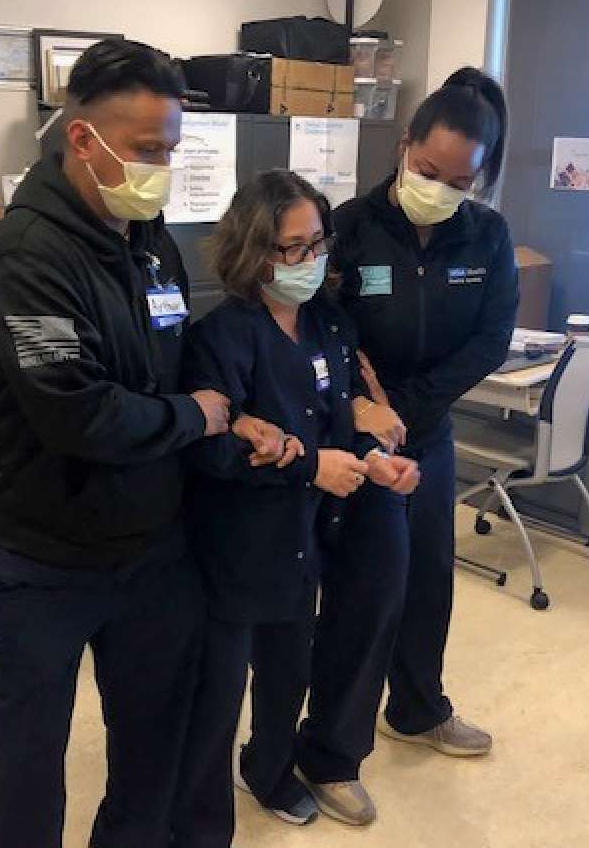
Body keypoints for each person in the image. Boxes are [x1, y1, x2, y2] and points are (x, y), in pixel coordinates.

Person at [0, 39, 236, 848]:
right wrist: (194, 416)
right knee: (24, 769)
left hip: (154, 552)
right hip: (49, 560)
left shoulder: (148, 237)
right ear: (82, 140)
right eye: (147, 150)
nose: (161, 167)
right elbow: (77, 415)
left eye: (171, 149)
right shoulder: (25, 256)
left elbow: (175, 351)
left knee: (151, 753)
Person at [292, 67, 519, 825]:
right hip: (354, 436)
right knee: (364, 596)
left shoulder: (486, 235)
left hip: (426, 431)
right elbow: (321, 323)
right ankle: (328, 751)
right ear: (404, 147)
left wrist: (409, 406)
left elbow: (490, 337)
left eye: (459, 179)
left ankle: (418, 709)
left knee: (427, 585)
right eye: (427, 171)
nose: (440, 188)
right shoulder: (350, 227)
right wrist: (360, 406)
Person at [171, 170, 418, 846]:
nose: (310, 261)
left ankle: (271, 769)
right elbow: (214, 451)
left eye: (318, 244)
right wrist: (311, 465)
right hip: (235, 546)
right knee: (217, 695)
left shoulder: (328, 325)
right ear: (254, 250)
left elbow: (338, 419)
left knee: (287, 672)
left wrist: (372, 459)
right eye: (293, 248)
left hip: (303, 541)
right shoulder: (222, 337)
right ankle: (197, 818)